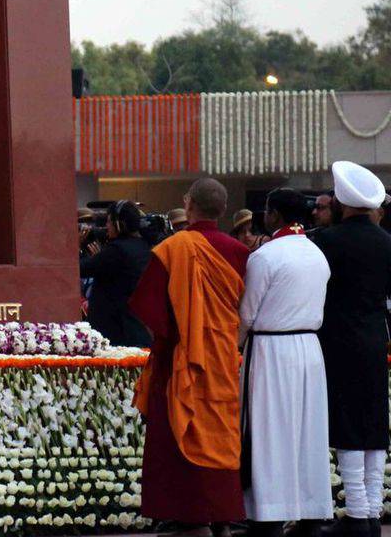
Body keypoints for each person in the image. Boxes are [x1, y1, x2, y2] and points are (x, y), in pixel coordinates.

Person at [129, 177, 248, 537]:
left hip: (179, 358)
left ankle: (190, 517)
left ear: (188, 204)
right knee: (221, 432)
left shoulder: (173, 248)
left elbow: (148, 309)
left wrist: (178, 339)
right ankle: (222, 517)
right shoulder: (240, 252)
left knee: (181, 433)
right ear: (224, 210)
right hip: (224, 360)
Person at [238, 189, 332, 537]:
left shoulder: (266, 256)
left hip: (270, 349)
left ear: (275, 215)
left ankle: (268, 514)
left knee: (268, 430)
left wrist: (234, 347)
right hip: (308, 348)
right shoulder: (317, 254)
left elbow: (246, 314)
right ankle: (310, 512)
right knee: (307, 431)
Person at [314, 161, 391, 537]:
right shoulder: (387, 242)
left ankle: (358, 513)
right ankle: (373, 512)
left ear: (342, 201)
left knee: (346, 420)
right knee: (375, 421)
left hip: (337, 341)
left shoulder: (327, 241)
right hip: (376, 339)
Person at [78, 200, 151, 347]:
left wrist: (77, 247)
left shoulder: (117, 251)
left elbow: (81, 268)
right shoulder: (143, 247)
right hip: (135, 329)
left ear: (119, 224)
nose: (106, 227)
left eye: (109, 222)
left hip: (117, 333)